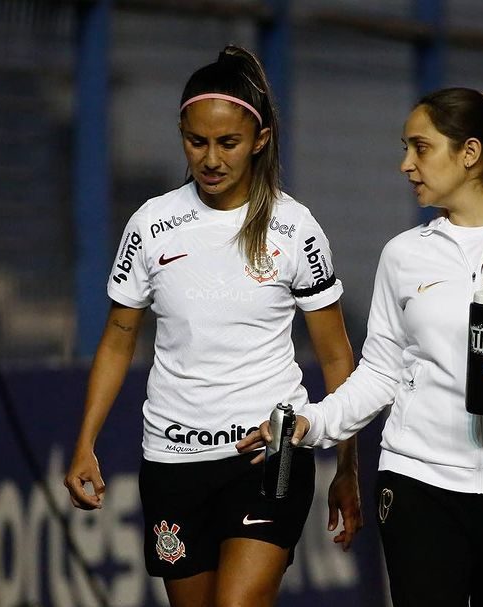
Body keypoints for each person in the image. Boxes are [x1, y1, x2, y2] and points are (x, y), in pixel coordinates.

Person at [237, 87, 483, 606]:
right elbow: (380, 371)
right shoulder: (403, 255)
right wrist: (313, 423)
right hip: (418, 482)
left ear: (470, 153)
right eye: (405, 149)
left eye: (421, 147)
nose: (406, 164)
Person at [63, 46, 363, 607]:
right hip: (173, 462)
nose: (211, 158)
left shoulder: (295, 228)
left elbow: (337, 356)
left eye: (228, 143)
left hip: (268, 457)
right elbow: (118, 338)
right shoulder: (151, 226)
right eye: (196, 141)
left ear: (261, 140)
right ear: (181, 133)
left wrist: (347, 466)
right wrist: (85, 443)